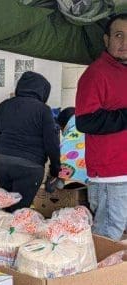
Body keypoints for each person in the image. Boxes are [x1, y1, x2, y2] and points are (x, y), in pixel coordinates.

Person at [75, 13, 127, 241]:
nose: (125, 43)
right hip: (110, 174)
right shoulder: (96, 73)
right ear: (106, 40)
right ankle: (97, 278)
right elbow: (86, 120)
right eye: (119, 35)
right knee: (108, 233)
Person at [0, 71, 61, 211]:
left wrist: (3, 154)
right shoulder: (43, 110)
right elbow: (52, 143)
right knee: (19, 212)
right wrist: (55, 170)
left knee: (6, 208)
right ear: (43, 91)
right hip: (29, 167)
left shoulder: (4, 105)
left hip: (2, 164)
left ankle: (2, 231)